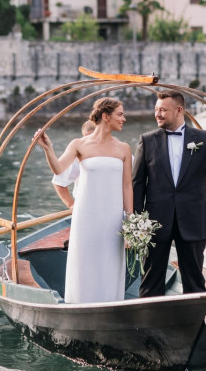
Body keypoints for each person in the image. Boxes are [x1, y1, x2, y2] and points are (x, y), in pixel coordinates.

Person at [132, 89, 206, 298]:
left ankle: (195, 321)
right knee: (150, 278)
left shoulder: (204, 138)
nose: (157, 114)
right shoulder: (147, 140)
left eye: (163, 110)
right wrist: (137, 221)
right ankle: (147, 321)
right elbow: (137, 184)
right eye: (156, 110)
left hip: (193, 219)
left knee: (194, 279)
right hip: (154, 222)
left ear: (179, 110)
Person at [35, 97, 133, 303]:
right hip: (86, 215)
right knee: (85, 263)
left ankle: (111, 305)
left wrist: (130, 222)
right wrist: (48, 149)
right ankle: (80, 305)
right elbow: (59, 169)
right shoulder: (78, 144)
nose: (124, 118)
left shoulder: (124, 148)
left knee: (110, 263)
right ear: (106, 116)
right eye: (120, 114)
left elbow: (127, 186)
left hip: (113, 216)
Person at [52, 119, 96, 208]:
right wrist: (71, 204)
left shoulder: (119, 149)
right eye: (85, 138)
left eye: (92, 137)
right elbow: (59, 181)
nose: (88, 141)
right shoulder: (78, 154)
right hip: (85, 205)